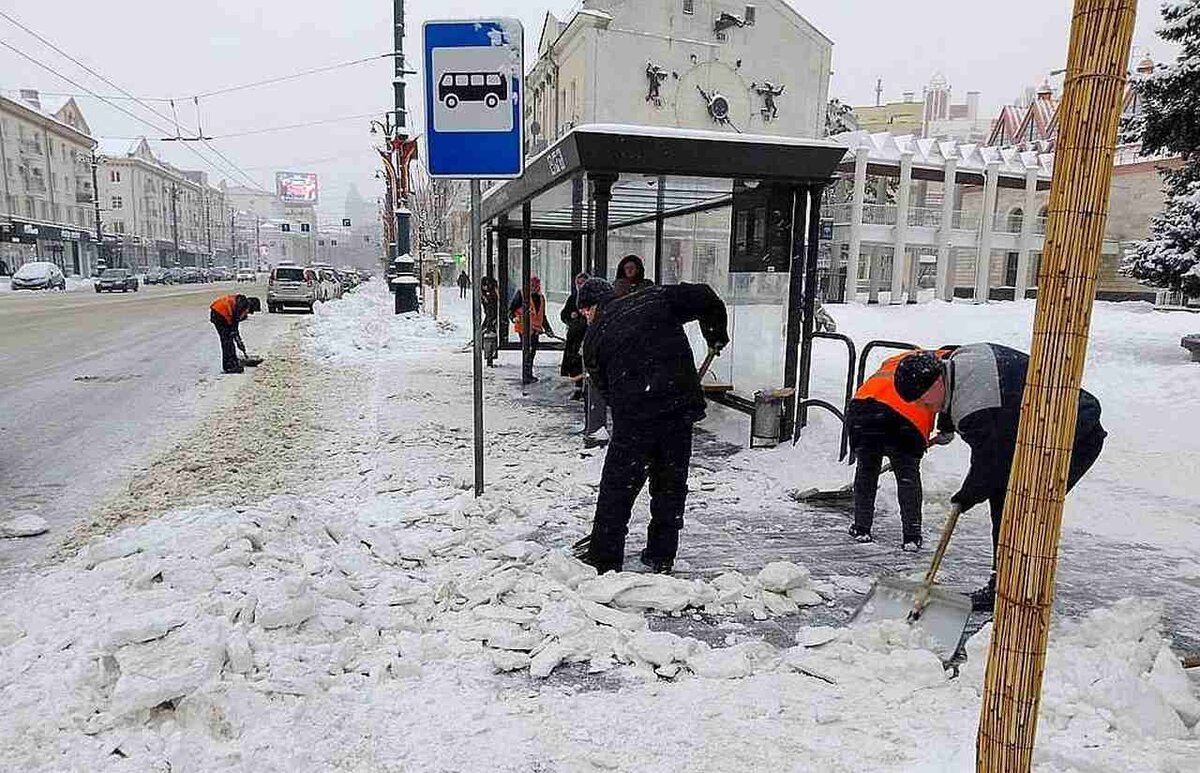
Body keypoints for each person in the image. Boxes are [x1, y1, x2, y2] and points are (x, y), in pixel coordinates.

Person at [894, 343, 1107, 612]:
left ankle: (1021, 592)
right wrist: (946, 425)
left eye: (925, 401)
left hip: (1073, 433)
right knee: (1004, 498)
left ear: (938, 380)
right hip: (1034, 426)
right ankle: (1004, 584)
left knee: (1025, 507)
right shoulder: (957, 360)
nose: (927, 409)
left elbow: (990, 463)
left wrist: (965, 497)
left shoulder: (976, 406)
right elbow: (956, 409)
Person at [576, 276, 729, 574]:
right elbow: (705, 296)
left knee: (617, 489)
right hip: (677, 409)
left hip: (635, 420)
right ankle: (661, 555)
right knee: (669, 484)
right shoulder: (655, 298)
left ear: (592, 307)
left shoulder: (593, 338)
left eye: (585, 311)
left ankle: (605, 558)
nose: (587, 317)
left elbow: (604, 388)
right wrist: (715, 335)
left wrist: (631, 400)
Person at [846, 348, 955, 551]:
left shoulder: (903, 359)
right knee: (907, 477)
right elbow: (948, 398)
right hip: (904, 421)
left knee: (867, 471)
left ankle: (861, 528)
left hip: (862, 410)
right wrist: (947, 429)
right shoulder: (947, 366)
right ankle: (911, 537)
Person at [509, 276, 554, 383]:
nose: (534, 287)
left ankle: (528, 373)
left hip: (535, 330)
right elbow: (511, 309)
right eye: (532, 285)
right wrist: (513, 318)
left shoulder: (541, 298)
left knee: (532, 352)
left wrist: (548, 330)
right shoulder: (521, 294)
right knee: (527, 351)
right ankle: (527, 375)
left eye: (536, 285)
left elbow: (542, 316)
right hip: (523, 328)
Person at [209, 293, 261, 374]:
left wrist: (237, 337)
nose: (250, 313)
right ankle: (229, 366)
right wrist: (237, 338)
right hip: (219, 314)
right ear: (251, 306)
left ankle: (232, 362)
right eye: (252, 311)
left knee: (229, 340)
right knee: (227, 342)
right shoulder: (243, 305)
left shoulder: (241, 301)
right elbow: (235, 323)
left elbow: (234, 323)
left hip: (218, 312)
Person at [560, 272, 590, 400]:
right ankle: (577, 390)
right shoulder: (573, 298)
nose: (580, 286)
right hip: (574, 337)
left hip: (586, 336)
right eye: (578, 283)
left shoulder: (592, 298)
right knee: (575, 363)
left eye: (583, 283)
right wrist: (570, 318)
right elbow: (563, 315)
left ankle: (586, 390)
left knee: (587, 364)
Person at [481, 276, 500, 367]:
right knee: (487, 332)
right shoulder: (485, 294)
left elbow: (492, 306)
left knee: (488, 332)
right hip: (490, 316)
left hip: (492, 316)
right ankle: (489, 355)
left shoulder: (492, 293)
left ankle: (490, 354)